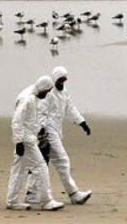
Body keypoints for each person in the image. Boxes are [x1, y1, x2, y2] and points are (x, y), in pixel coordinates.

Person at [26, 66, 93, 205]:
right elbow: (42, 111)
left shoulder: (64, 93)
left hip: (56, 130)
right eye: (60, 79)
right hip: (48, 131)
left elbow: (70, 108)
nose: (62, 82)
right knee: (62, 161)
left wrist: (81, 122)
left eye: (64, 79)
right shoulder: (49, 93)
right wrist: (42, 132)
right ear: (55, 79)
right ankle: (74, 193)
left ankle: (31, 193)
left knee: (42, 162)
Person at [6, 76, 64, 211]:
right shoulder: (28, 99)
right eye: (47, 91)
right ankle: (46, 200)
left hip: (27, 137)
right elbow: (17, 120)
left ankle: (13, 200)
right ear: (43, 88)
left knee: (19, 169)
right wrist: (19, 141)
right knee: (41, 166)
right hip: (26, 139)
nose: (47, 93)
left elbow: (29, 120)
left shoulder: (31, 95)